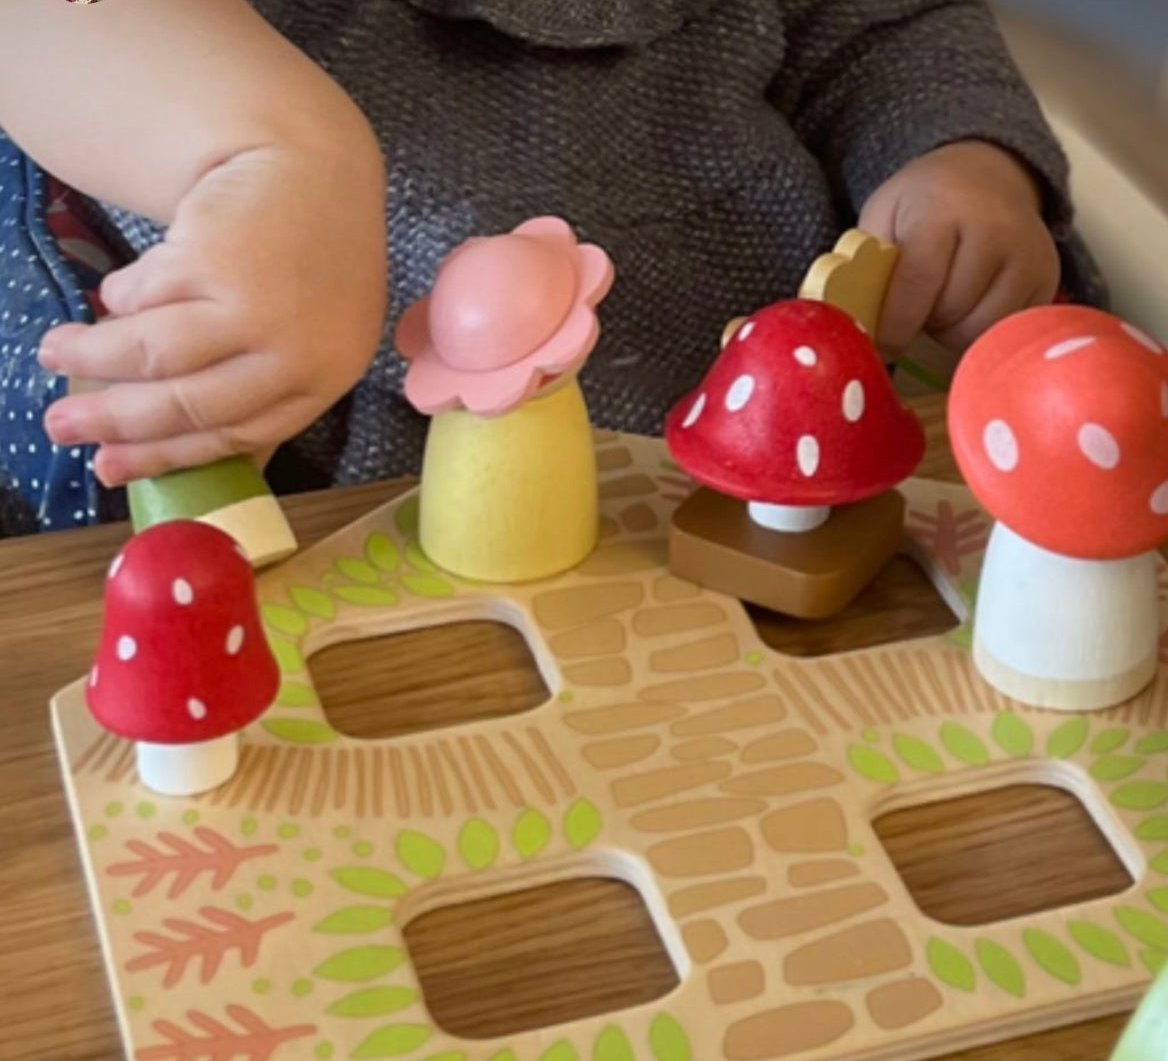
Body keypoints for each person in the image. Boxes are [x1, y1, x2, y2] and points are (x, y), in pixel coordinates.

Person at [0, 0, 1090, 536]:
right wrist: (257, 155)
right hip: (360, 540)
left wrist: (962, 164)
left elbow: (881, 26)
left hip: (785, 493)